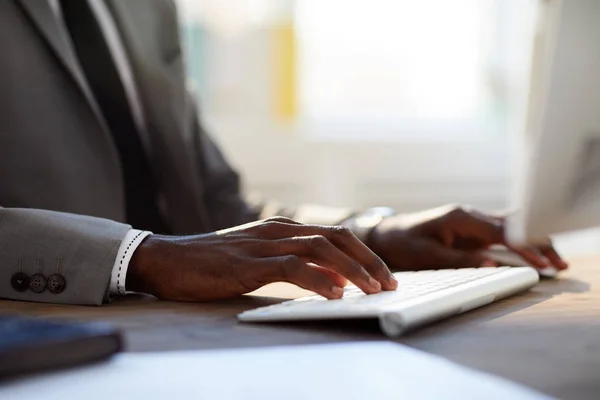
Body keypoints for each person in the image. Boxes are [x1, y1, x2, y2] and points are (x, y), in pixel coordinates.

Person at [0, 0, 568, 306]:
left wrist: (373, 235)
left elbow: (214, 205)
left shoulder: (142, 8)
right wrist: (138, 257)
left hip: (179, 336)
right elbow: (179, 250)